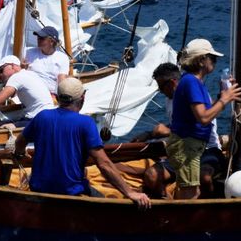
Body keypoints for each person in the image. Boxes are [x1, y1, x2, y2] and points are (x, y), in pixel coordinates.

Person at [13, 77, 151, 208]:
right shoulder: (85, 123)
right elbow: (104, 164)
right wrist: (130, 193)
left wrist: (19, 155)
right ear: (82, 98)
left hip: (39, 188)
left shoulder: (42, 117)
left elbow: (20, 141)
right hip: (69, 192)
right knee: (105, 203)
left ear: (56, 97)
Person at [168, 39, 241, 200]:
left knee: (189, 190)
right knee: (191, 193)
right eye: (212, 58)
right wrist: (224, 99)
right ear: (202, 60)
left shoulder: (192, 82)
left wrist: (222, 96)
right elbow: (203, 117)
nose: (215, 62)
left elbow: (205, 111)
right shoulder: (191, 82)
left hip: (191, 146)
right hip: (186, 146)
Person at [138, 62, 226, 199]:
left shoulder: (192, 93)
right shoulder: (170, 100)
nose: (161, 91)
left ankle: (209, 205)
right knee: (152, 176)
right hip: (183, 149)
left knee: (204, 178)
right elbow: (179, 123)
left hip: (206, 149)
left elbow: (200, 122)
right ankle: (169, 205)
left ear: (172, 82)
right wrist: (150, 134)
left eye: (161, 86)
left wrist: (166, 131)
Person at [0, 55, 56, 125]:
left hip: (37, 118)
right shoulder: (30, 74)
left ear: (12, 66)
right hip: (49, 115)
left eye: (1, 70)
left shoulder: (16, 77)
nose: (0, 75)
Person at [23, 25, 71, 94]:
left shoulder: (62, 58)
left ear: (51, 41)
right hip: (29, 92)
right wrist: (21, 67)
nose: (38, 39)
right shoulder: (27, 52)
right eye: (38, 37)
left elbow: (62, 80)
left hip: (51, 94)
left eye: (41, 38)